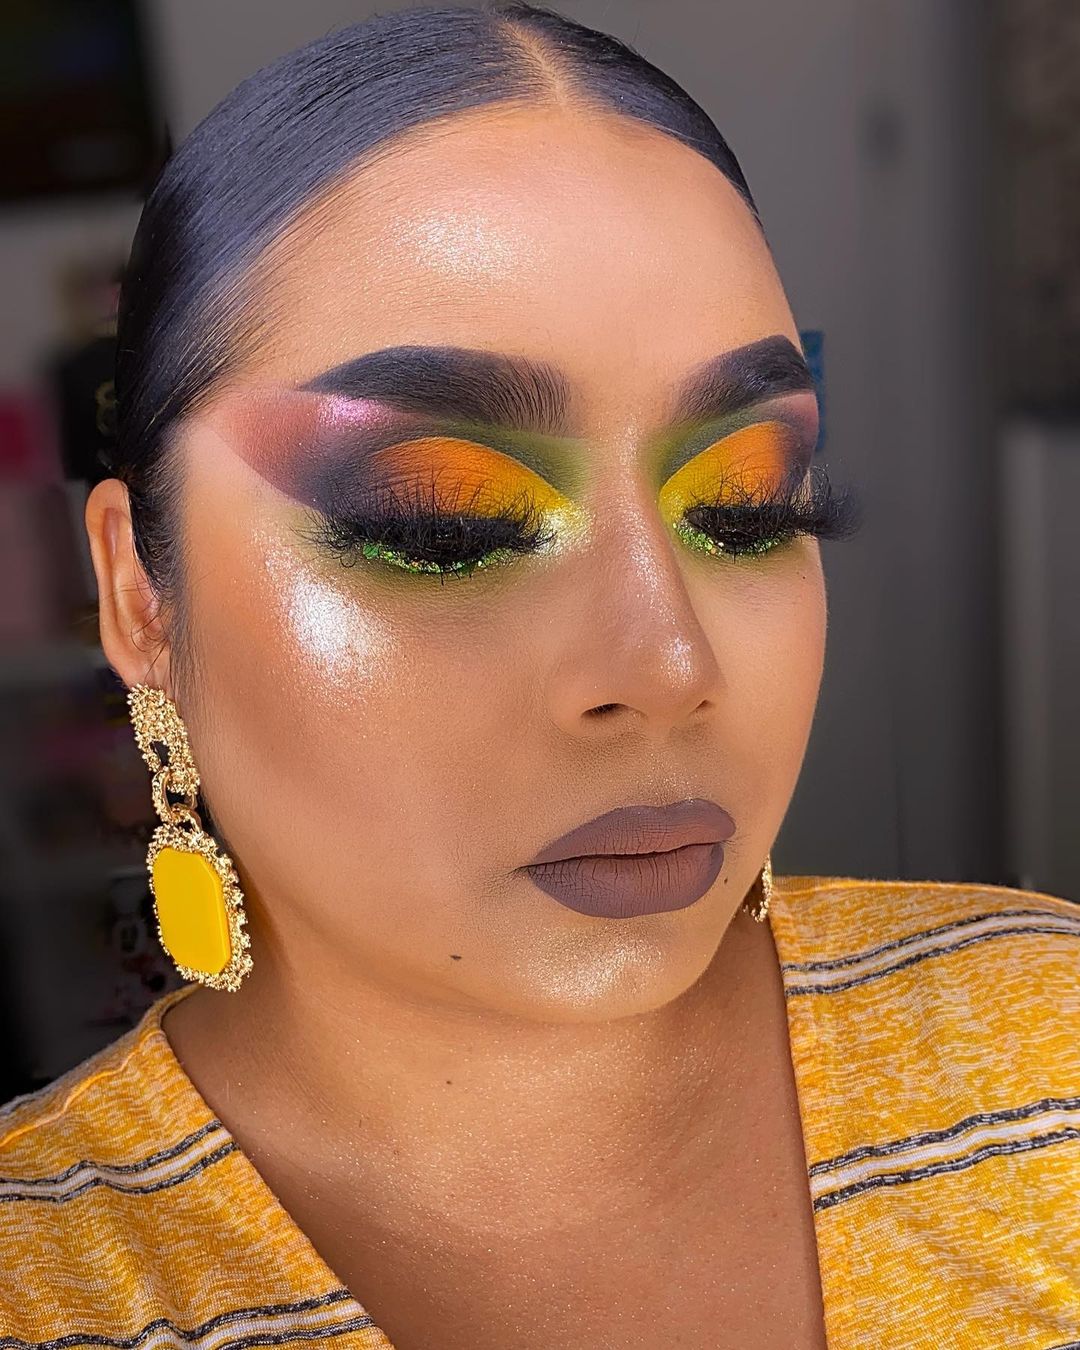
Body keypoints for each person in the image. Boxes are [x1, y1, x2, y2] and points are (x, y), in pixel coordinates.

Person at [2, 5, 1078, 1347]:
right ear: (140, 597)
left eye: (749, 504)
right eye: (443, 520)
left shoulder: (1049, 1043)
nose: (669, 663)